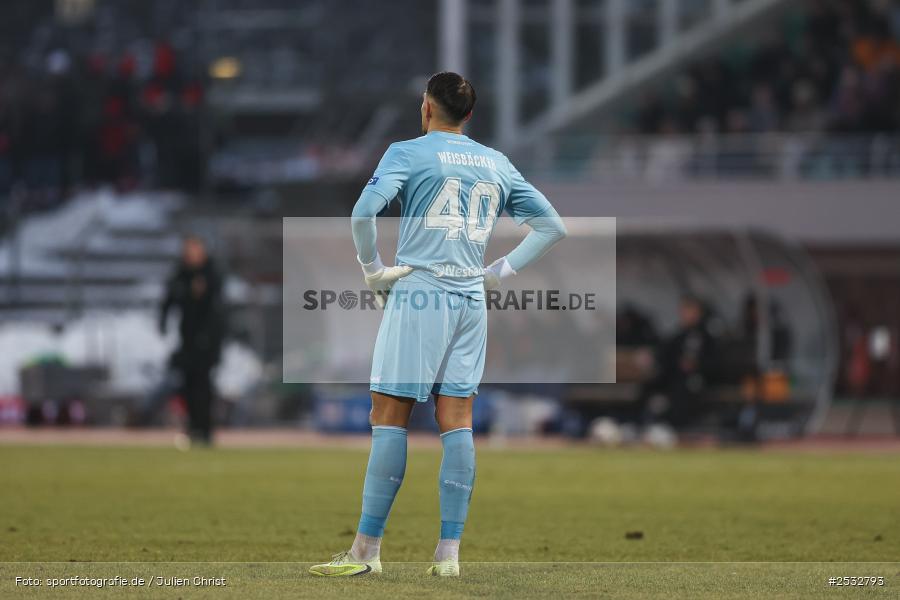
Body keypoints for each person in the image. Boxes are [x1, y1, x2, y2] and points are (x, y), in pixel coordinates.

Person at [309, 72, 566, 578]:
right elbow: (551, 226)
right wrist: (498, 273)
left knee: (389, 414)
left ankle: (365, 553)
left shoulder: (407, 152)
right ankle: (447, 557)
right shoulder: (496, 162)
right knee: (458, 420)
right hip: (471, 297)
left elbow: (363, 214)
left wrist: (372, 270)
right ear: (468, 116)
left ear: (427, 108)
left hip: (421, 289)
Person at [158, 235, 225, 446]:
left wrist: (214, 337)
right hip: (187, 339)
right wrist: (162, 322)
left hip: (207, 341)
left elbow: (217, 306)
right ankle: (192, 427)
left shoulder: (211, 273)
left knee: (203, 386)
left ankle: (205, 430)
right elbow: (169, 299)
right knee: (187, 385)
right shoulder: (181, 274)